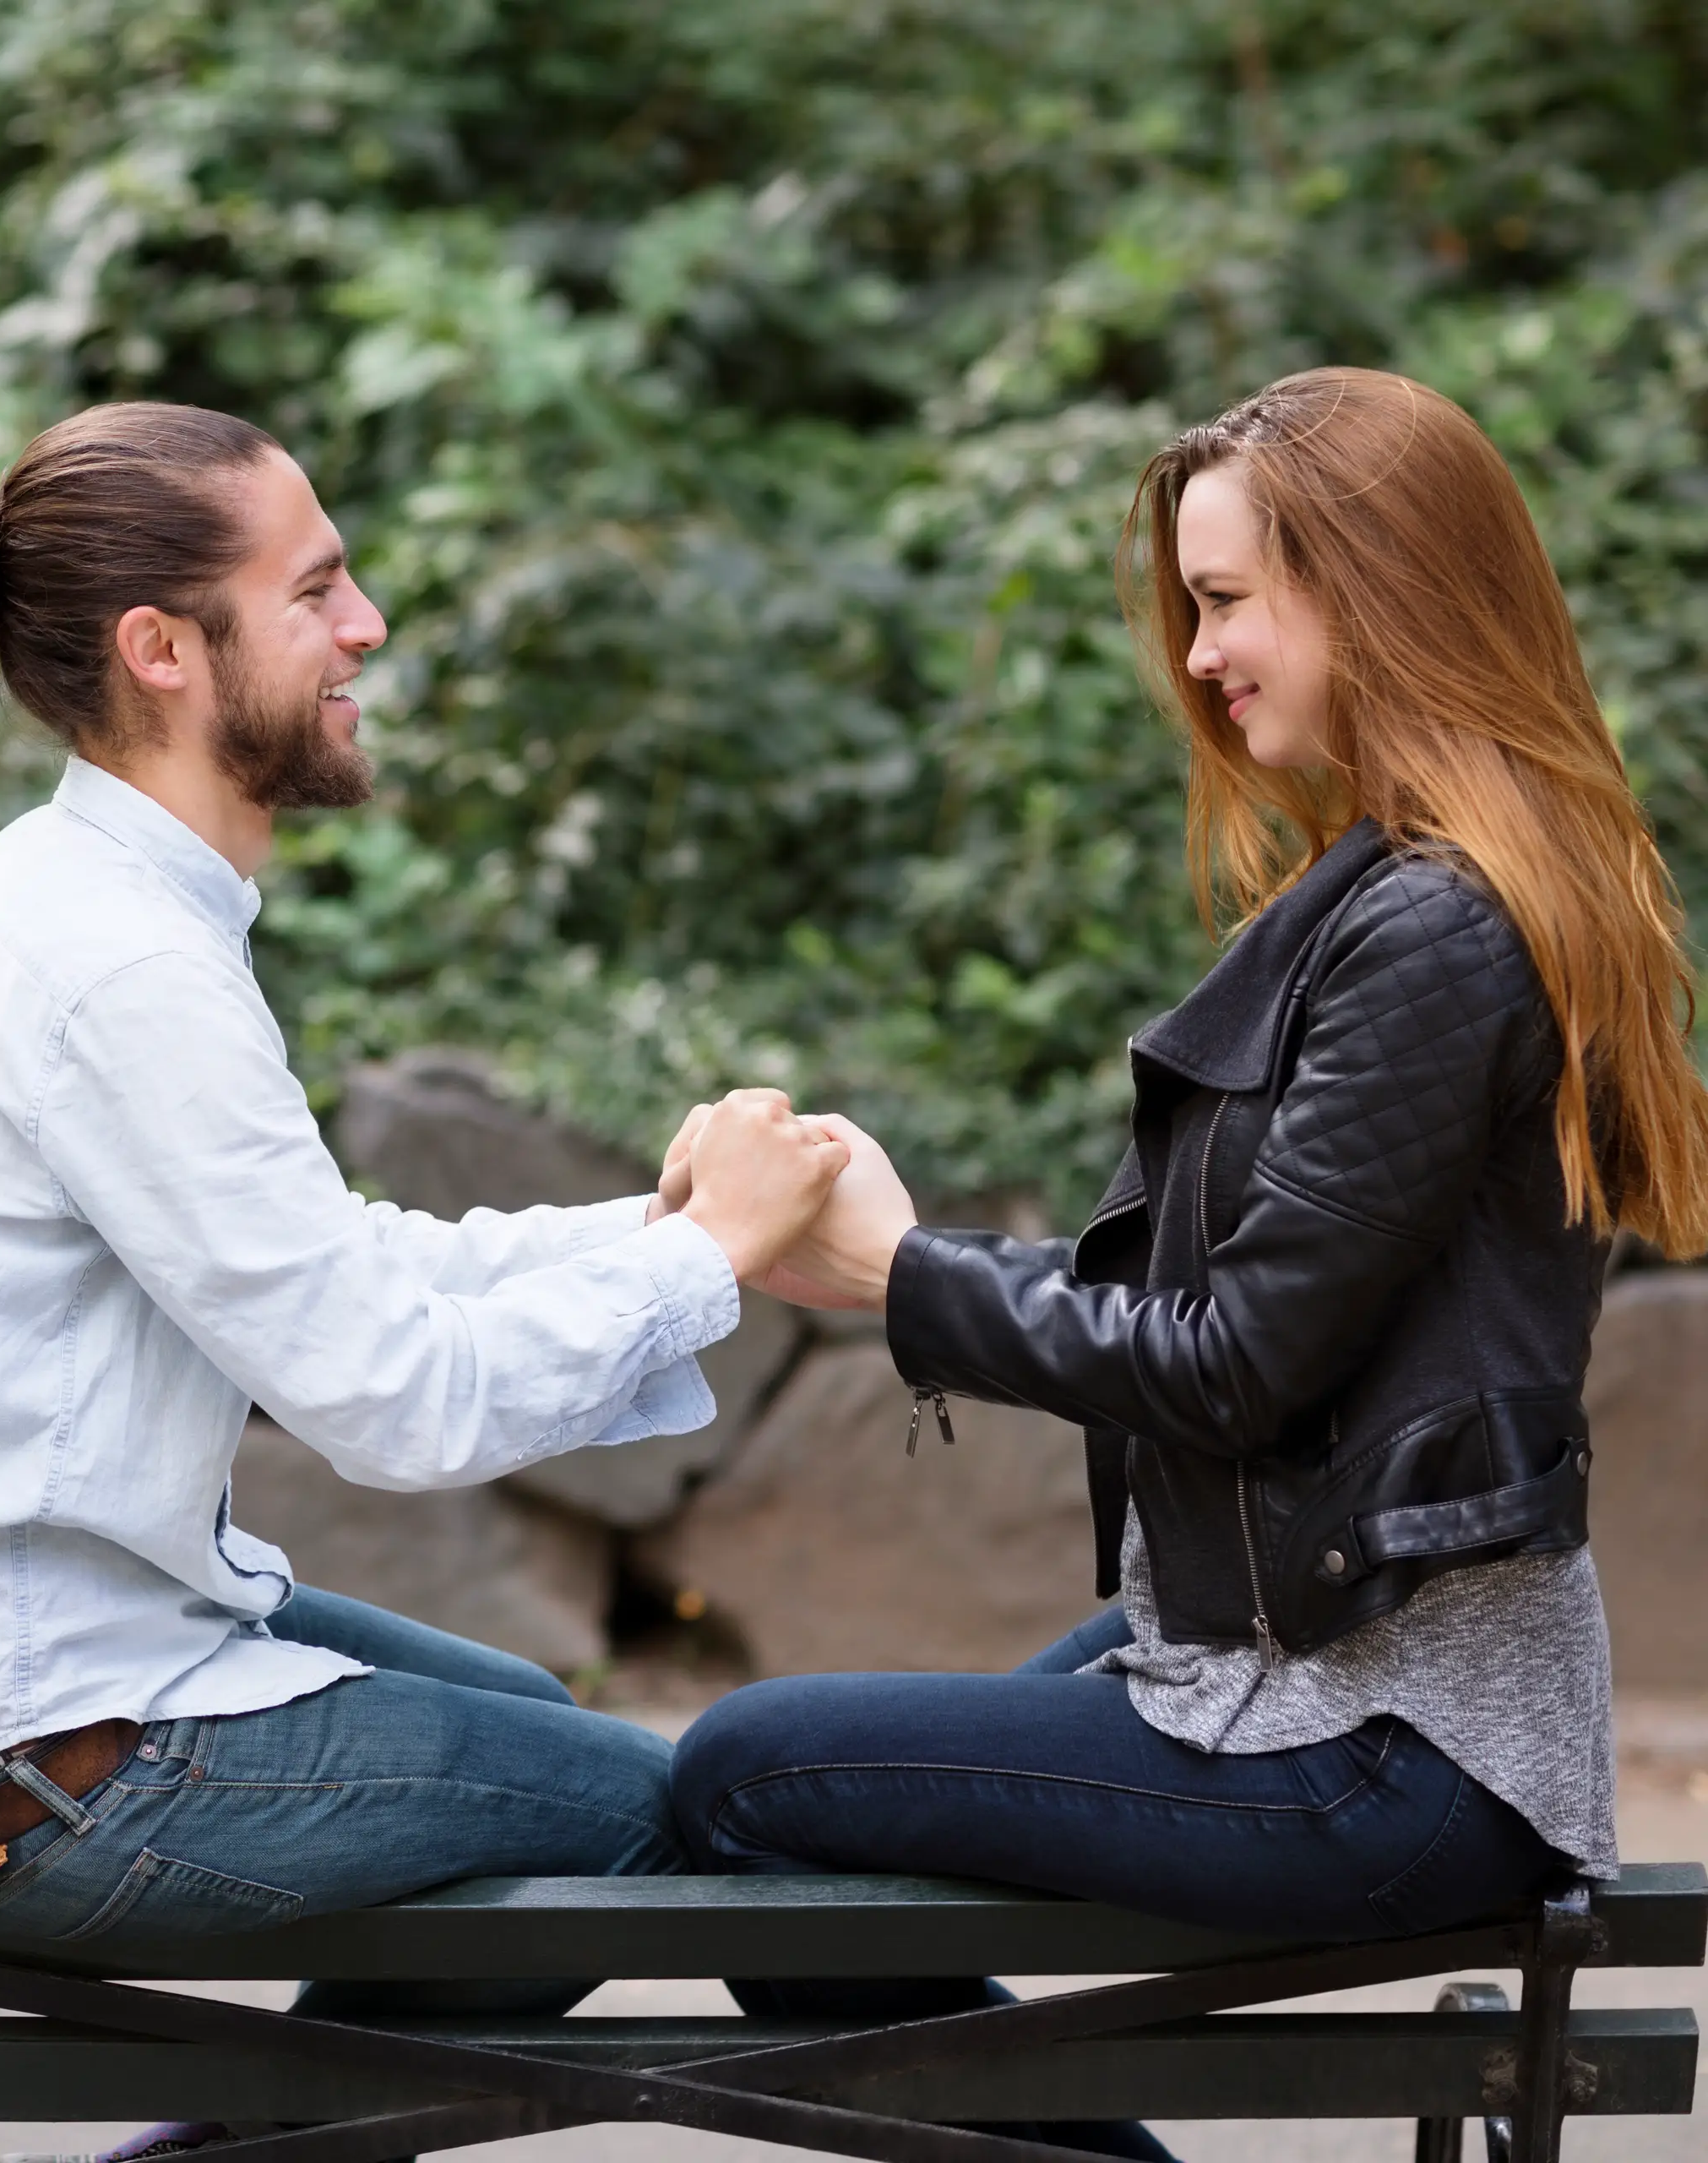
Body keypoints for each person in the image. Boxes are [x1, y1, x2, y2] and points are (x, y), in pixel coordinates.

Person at [666, 368, 1708, 2159]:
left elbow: (1235, 1357)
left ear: (1372, 586)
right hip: (1325, 1659)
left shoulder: (1438, 929)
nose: (1201, 657)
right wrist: (905, 1268)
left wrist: (907, 1272)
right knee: (824, 1773)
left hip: (1390, 1737)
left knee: (742, 1774)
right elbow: (1262, 1319)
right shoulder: (1416, 895)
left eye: (1226, 601)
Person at [0, 401, 841, 2023]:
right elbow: (392, 1399)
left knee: (523, 1714)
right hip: (32, 1753)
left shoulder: (62, 895)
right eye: (315, 590)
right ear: (162, 650)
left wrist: (664, 1226)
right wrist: (704, 1258)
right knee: (701, 1813)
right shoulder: (122, 968)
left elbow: (337, 1266)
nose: (366, 626)